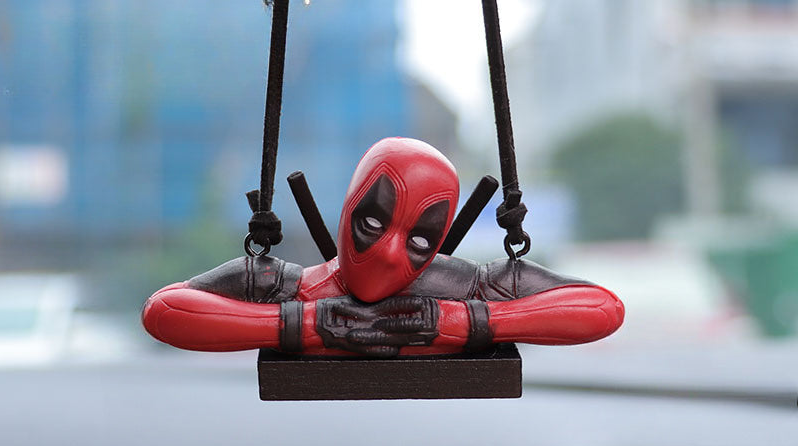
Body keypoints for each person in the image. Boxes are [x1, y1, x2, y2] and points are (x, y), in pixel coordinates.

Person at [142, 137, 624, 356]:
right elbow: (165, 311)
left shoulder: (470, 287)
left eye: (420, 240)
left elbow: (602, 308)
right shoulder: (280, 286)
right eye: (373, 222)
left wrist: (456, 322)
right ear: (347, 207)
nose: (390, 255)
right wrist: (312, 325)